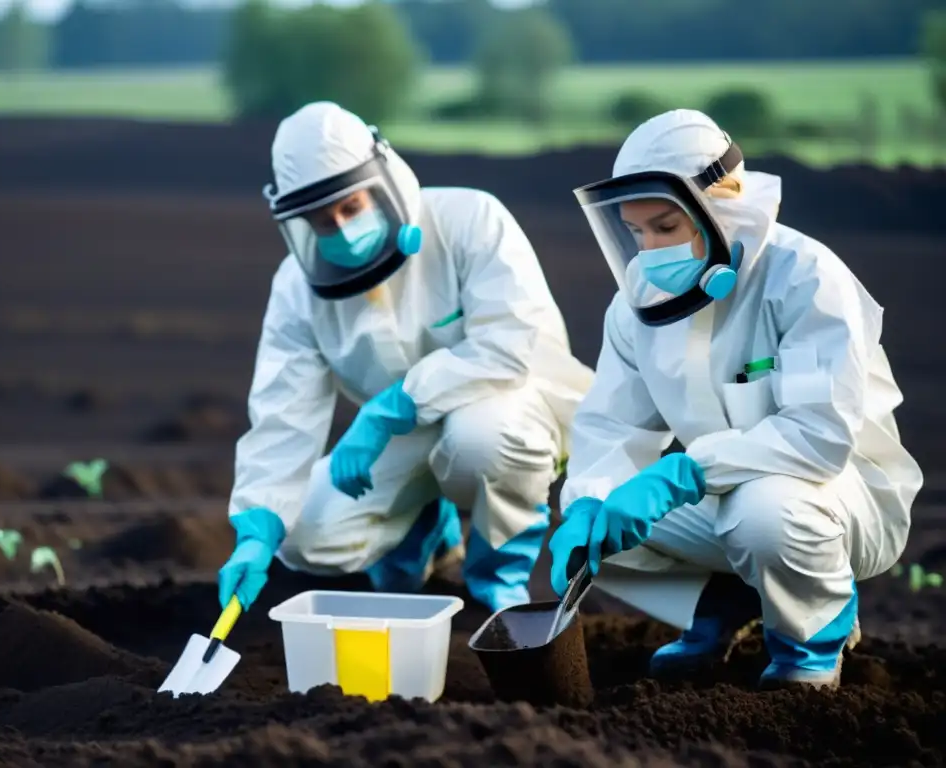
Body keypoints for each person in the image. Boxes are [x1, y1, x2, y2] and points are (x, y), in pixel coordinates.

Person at [548, 109, 922, 690]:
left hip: (840, 495)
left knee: (765, 514)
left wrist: (683, 473)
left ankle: (812, 641)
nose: (648, 249)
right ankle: (722, 602)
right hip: (725, 490)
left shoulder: (805, 277)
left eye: (665, 227)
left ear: (720, 204)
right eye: (636, 231)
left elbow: (817, 438)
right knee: (603, 528)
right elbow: (611, 429)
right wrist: (587, 502)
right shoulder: (636, 306)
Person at [218, 101, 594, 616]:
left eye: (351, 207)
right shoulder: (296, 289)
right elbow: (284, 409)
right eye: (323, 222)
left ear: (383, 181)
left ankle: (498, 580)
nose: (343, 229)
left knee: (482, 440)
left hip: (509, 406)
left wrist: (387, 408)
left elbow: (510, 344)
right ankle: (424, 530)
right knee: (304, 536)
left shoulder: (469, 220)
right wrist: (257, 528)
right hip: (402, 434)